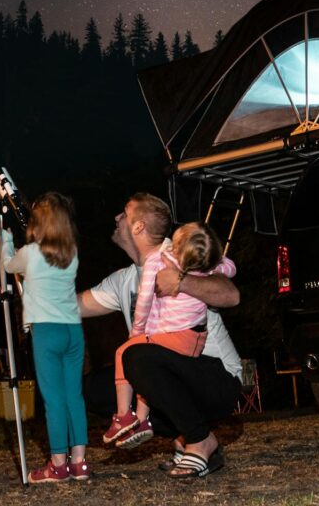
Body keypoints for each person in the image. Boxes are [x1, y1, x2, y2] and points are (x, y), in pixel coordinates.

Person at [78, 192, 242, 478]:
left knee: (136, 355)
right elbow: (74, 305)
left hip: (216, 378)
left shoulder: (178, 253)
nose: (116, 218)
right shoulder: (124, 279)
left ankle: (201, 440)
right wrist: (39, 292)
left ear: (139, 226)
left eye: (124, 214)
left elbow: (230, 294)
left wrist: (181, 280)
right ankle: (179, 433)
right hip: (164, 368)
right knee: (95, 388)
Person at [105, 221, 237, 448]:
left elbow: (145, 301)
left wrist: (136, 332)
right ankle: (147, 421)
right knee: (118, 376)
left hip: (206, 367)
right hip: (189, 341)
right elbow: (230, 267)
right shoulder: (203, 262)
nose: (117, 218)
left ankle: (129, 416)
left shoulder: (160, 261)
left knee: (128, 353)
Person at [2, 192, 89, 484]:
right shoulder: (72, 252)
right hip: (73, 332)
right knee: (73, 396)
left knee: (53, 400)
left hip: (47, 332)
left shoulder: (29, 253)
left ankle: (58, 465)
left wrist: (5, 241)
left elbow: (8, 265)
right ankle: (79, 463)